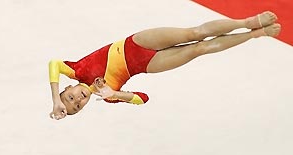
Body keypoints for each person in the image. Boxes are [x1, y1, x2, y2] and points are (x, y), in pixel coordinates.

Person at [48, 11, 281, 120]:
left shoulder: (77, 70)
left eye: (69, 98)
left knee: (194, 33)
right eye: (77, 107)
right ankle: (254, 34)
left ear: (67, 89)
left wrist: (55, 101)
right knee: (198, 49)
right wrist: (115, 92)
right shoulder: (107, 96)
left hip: (136, 44)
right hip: (147, 64)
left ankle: (246, 22)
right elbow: (142, 98)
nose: (77, 100)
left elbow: (54, 64)